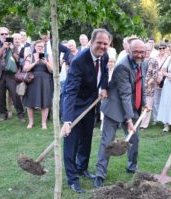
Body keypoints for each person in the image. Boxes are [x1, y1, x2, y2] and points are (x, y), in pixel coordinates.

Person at [94, 39, 149, 188]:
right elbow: (125, 94)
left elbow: (140, 84)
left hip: (131, 107)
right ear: (129, 51)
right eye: (136, 51)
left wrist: (144, 102)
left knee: (134, 140)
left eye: (142, 52)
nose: (139, 55)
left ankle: (132, 167)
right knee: (107, 142)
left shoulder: (144, 63)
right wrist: (129, 119)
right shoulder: (122, 67)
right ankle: (100, 174)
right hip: (114, 108)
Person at [61, 28, 110, 193]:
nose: (102, 46)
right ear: (91, 41)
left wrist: (104, 87)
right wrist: (67, 121)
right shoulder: (78, 61)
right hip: (74, 105)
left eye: (105, 43)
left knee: (86, 140)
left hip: (90, 104)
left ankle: (82, 168)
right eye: (99, 43)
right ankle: (73, 179)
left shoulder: (104, 56)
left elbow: (104, 73)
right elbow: (70, 91)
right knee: (71, 143)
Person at [0, 27, 25, 122]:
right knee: (1, 96)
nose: (4, 35)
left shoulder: (13, 45)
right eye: (2, 34)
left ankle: (20, 114)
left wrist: (12, 50)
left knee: (15, 95)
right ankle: (3, 114)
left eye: (6, 34)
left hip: (11, 74)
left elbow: (18, 59)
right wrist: (3, 47)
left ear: (8, 35)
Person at [22, 40, 53, 129]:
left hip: (45, 81)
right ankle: (31, 122)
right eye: (39, 46)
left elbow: (52, 70)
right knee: (30, 102)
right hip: (32, 80)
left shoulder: (48, 56)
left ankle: (44, 123)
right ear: (35, 47)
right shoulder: (30, 56)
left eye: (42, 46)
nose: (40, 48)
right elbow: (25, 69)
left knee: (45, 102)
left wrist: (46, 63)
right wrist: (35, 62)